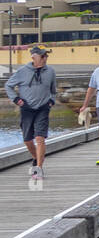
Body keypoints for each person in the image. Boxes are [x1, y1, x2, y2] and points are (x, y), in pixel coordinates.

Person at [5, 45, 57, 190]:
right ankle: (36, 158)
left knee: (40, 138)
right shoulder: (22, 71)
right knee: (27, 139)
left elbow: (53, 90)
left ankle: (38, 168)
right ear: (34, 57)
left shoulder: (50, 71)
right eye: (42, 56)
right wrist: (16, 100)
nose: (45, 58)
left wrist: (51, 100)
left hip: (43, 108)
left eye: (46, 55)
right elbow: (9, 86)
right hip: (27, 108)